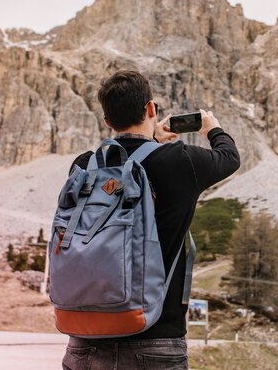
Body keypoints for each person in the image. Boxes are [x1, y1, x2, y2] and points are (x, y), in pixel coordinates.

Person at [62, 70, 240, 370]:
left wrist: (152, 137)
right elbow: (229, 157)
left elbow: (120, 164)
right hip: (156, 341)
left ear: (107, 121)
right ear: (151, 108)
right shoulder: (179, 161)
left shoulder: (84, 165)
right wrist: (212, 128)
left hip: (85, 343)